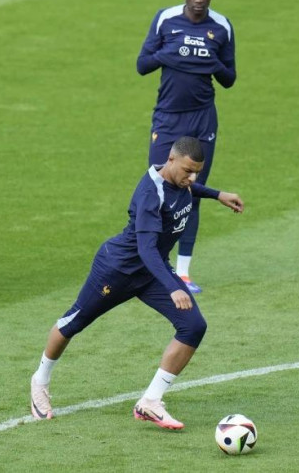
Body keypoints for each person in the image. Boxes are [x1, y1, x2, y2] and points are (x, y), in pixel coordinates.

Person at [30, 137, 244, 429]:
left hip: (152, 272)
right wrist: (173, 287)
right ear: (171, 160)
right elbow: (146, 249)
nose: (192, 178)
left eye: (197, 172)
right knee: (72, 323)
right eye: (188, 171)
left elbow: (187, 188)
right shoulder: (150, 193)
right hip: (117, 270)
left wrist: (217, 194)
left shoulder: (179, 179)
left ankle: (150, 402)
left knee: (194, 326)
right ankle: (40, 381)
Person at [136, 0, 237, 294]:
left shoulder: (221, 26)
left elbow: (229, 78)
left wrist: (210, 60)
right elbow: (142, 65)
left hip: (202, 119)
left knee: (191, 189)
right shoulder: (165, 19)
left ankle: (183, 273)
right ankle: (152, 265)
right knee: (158, 186)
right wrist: (172, 52)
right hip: (167, 118)